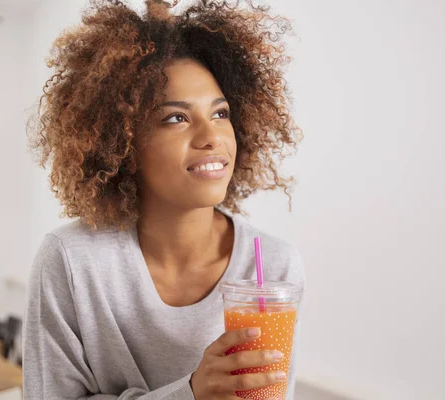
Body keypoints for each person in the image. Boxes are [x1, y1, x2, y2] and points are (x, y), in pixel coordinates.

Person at [24, 0, 304, 398]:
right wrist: (190, 393)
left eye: (221, 113)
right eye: (176, 117)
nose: (212, 136)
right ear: (122, 144)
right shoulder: (73, 261)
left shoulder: (275, 267)